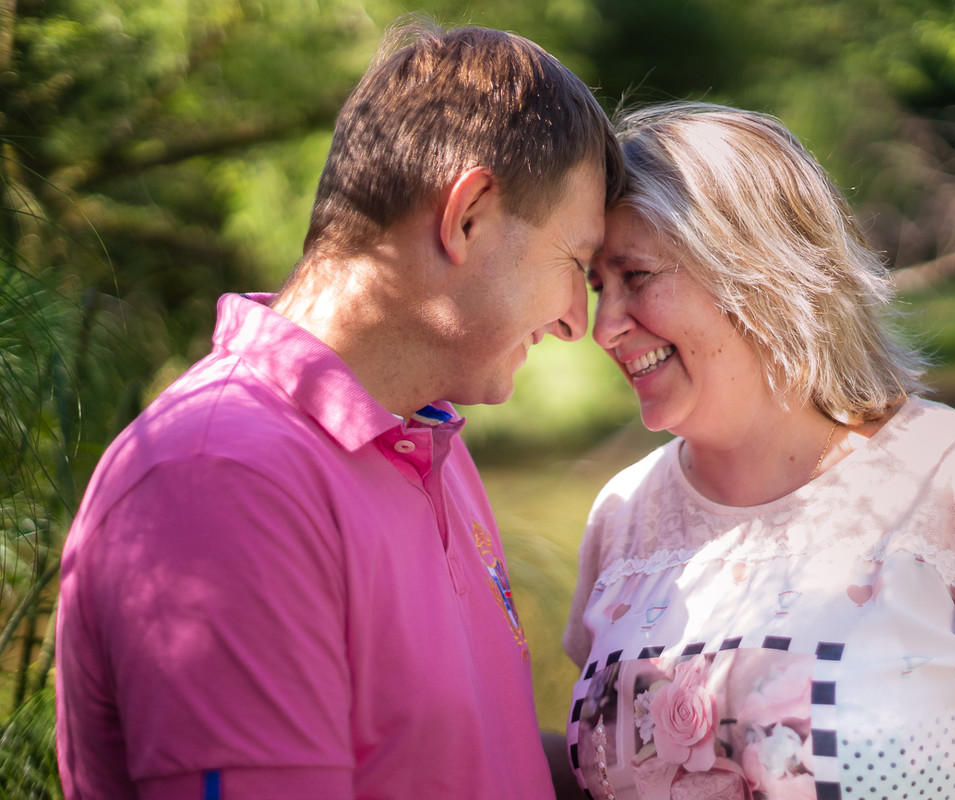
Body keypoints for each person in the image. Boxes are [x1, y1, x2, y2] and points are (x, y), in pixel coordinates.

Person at [55, 17, 622, 799]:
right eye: (575, 263)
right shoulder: (223, 480)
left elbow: (463, 758)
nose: (574, 322)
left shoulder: (427, 446)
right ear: (468, 216)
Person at [562, 102, 955, 799]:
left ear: (756, 270)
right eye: (597, 287)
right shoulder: (623, 517)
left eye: (636, 277)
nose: (605, 327)